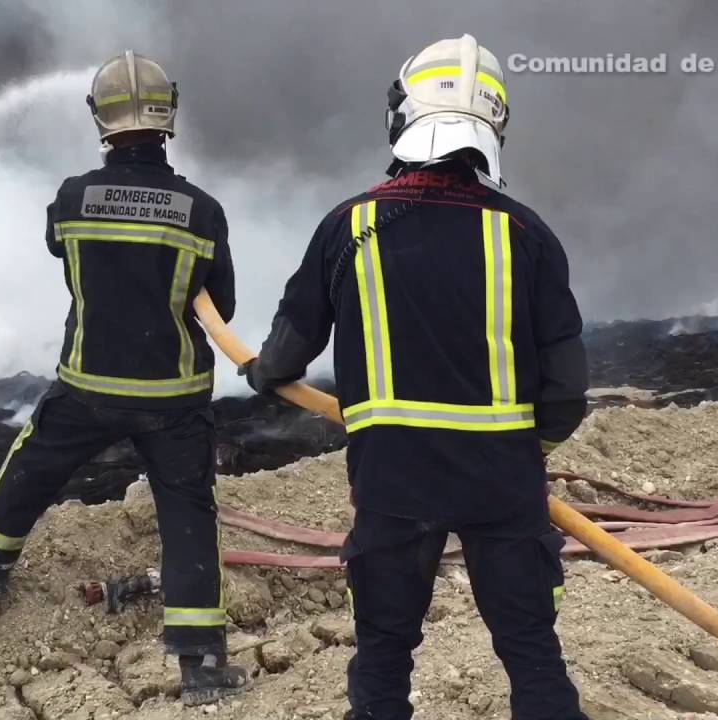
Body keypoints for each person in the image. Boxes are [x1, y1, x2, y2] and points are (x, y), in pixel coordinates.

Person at [241, 34, 590, 720]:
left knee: (383, 650)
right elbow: (565, 392)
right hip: (501, 481)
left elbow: (286, 352)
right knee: (530, 649)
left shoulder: (348, 226)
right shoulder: (526, 235)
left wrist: (261, 372)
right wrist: (522, 453)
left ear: (402, 118)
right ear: (492, 130)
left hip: (394, 480)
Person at [0, 50, 248, 706]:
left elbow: (62, 248)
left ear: (99, 117)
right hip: (172, 397)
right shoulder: (201, 213)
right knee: (189, 513)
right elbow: (220, 308)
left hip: (88, 383)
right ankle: (200, 668)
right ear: (168, 116)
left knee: (33, 465)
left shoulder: (71, 198)